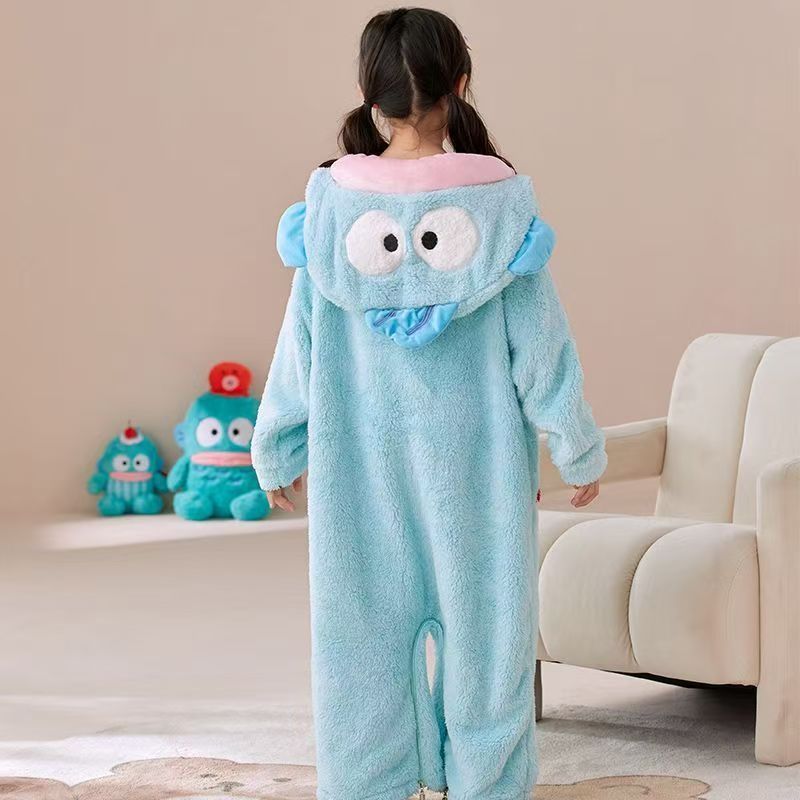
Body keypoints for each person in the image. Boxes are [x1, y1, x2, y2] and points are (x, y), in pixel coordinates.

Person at [252, 8, 606, 799]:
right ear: (461, 84)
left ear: (369, 92)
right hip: (479, 477)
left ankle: (365, 784)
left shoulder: (331, 213)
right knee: (487, 644)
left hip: (359, 476)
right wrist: (576, 447)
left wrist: (277, 446)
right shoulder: (500, 209)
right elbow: (543, 351)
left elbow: (299, 346)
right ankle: (488, 787)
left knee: (358, 643)